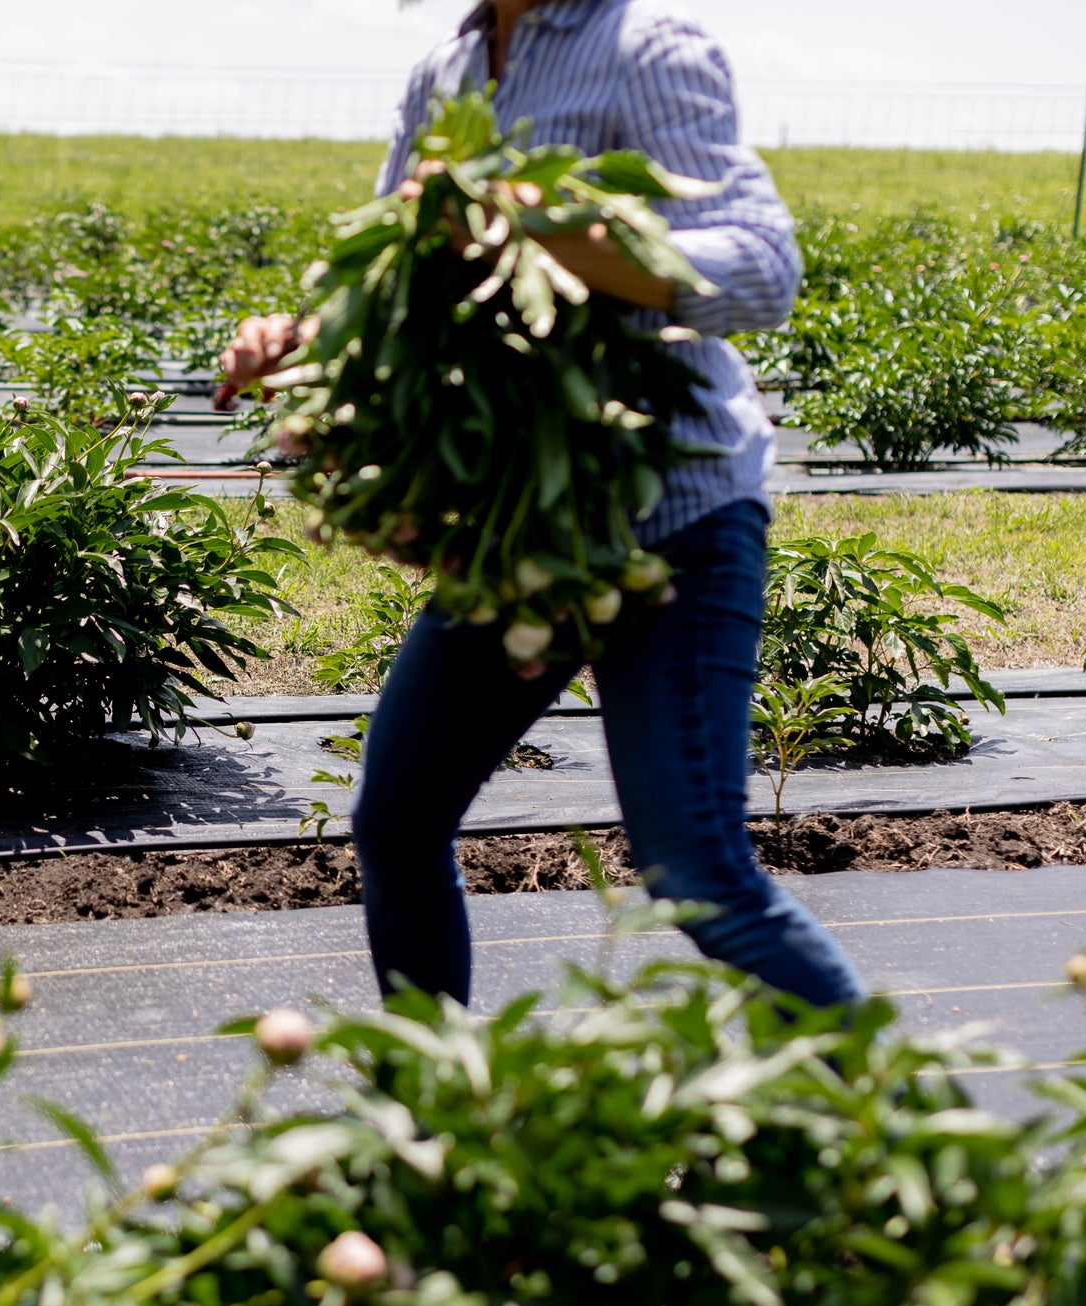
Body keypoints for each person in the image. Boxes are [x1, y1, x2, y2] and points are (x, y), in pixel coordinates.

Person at [219, 0, 866, 1008]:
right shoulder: (447, 70)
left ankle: (890, 1125)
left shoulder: (644, 50)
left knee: (695, 876)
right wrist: (302, 346)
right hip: (525, 531)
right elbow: (409, 285)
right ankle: (436, 1126)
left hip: (673, 518)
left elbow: (759, 270)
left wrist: (537, 221)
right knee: (395, 821)